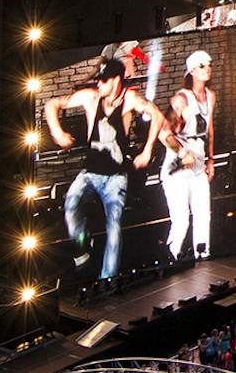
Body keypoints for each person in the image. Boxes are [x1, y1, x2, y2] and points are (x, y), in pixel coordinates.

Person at [46, 56, 162, 280]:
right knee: (70, 206)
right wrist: (57, 133)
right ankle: (81, 250)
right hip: (90, 172)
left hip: (115, 177)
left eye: (104, 81)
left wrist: (147, 149)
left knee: (114, 225)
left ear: (116, 80)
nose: (99, 85)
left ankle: (107, 279)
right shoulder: (92, 98)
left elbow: (156, 115)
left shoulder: (129, 99)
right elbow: (52, 104)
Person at [165, 49, 217, 263]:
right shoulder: (181, 99)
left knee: (203, 213)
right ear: (193, 71)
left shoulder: (211, 96)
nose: (208, 69)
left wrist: (211, 160)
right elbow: (164, 133)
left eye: (209, 64)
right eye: (203, 65)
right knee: (181, 219)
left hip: (199, 163)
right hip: (178, 165)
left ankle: (202, 254)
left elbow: (210, 129)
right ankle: (171, 256)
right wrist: (182, 152)